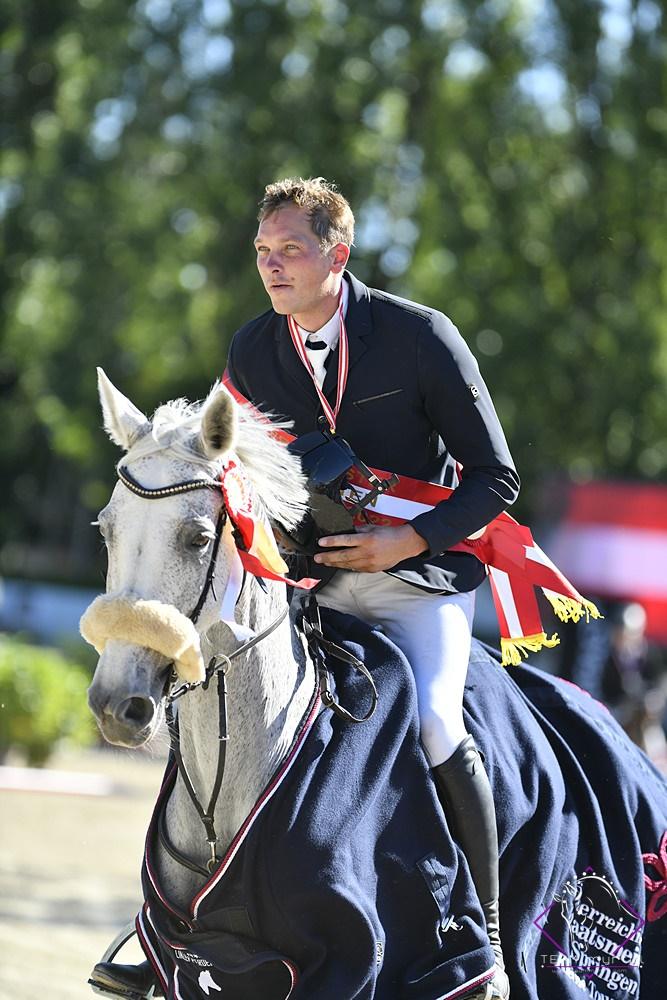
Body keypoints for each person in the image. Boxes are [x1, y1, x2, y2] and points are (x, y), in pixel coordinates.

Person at [225, 176, 519, 998]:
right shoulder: (253, 349)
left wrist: (407, 541)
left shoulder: (420, 335)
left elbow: (498, 480)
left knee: (430, 723)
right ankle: (186, 920)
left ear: (336, 255)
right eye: (262, 252)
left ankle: (487, 937)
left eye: (289, 250)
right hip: (312, 586)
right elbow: (239, 476)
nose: (272, 267)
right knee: (237, 724)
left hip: (418, 582)